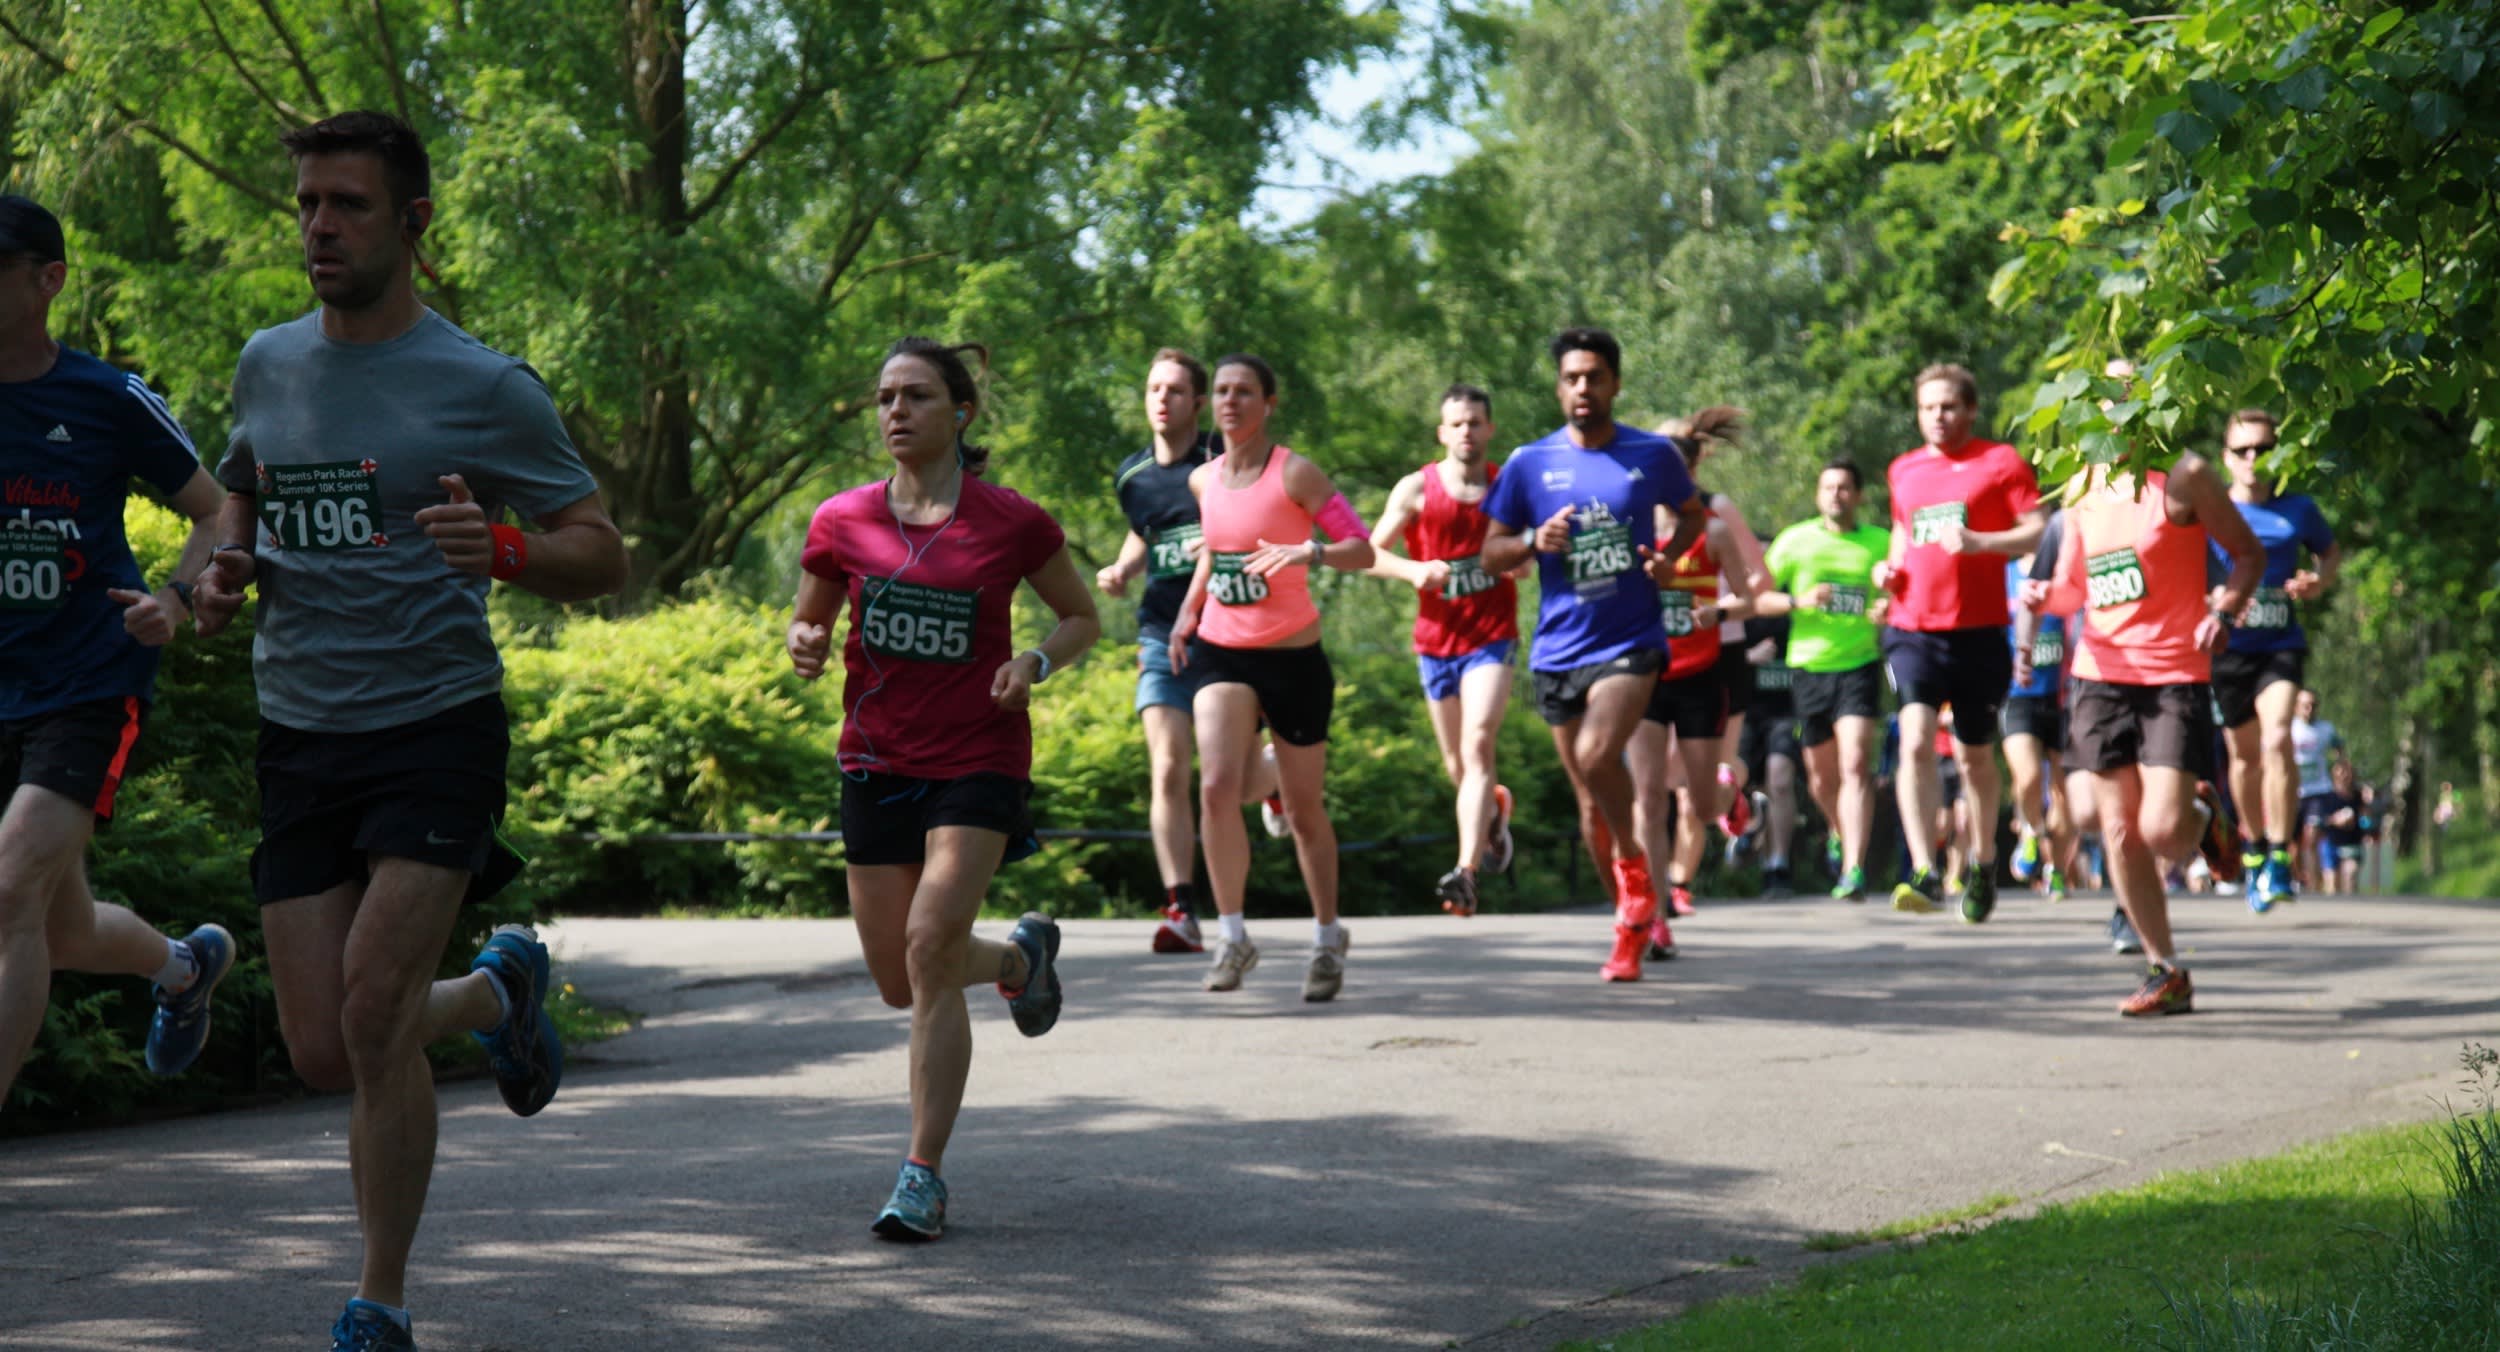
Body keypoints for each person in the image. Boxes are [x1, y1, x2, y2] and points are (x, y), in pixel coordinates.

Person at [189, 113, 630, 1350]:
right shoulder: (268, 362)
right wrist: (221, 570)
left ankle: (377, 1299)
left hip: (435, 724)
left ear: (414, 223)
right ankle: (496, 990)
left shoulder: (485, 386)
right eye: (307, 204)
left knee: (377, 1011)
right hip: (300, 729)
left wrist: (504, 548)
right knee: (324, 1047)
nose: (320, 226)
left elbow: (603, 550)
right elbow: (241, 486)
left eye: (349, 204)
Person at [790, 336, 1097, 1241]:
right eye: (886, 397)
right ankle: (1018, 962)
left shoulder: (1012, 521)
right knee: (900, 979)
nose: (896, 411)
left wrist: (1035, 660)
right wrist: (804, 644)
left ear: (961, 413)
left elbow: (1080, 615)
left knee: (929, 945)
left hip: (977, 758)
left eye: (917, 396)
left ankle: (920, 1175)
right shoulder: (842, 520)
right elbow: (809, 624)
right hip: (875, 763)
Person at [0, 194, 238, 1103]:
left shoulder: (107, 398)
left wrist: (175, 599)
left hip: (87, 681)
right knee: (62, 929)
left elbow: (217, 511)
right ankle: (183, 968)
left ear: (48, 281)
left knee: (10, 890)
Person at [1481, 328, 1705, 982]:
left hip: (1632, 639)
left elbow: (1692, 515)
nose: (1584, 388)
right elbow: (1490, 552)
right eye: (1572, 378)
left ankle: (1636, 874)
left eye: (1595, 377)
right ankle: (1631, 924)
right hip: (1559, 648)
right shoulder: (1529, 463)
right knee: (1589, 806)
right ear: (1560, 388)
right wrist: (1532, 540)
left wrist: (1669, 561)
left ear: (1615, 384)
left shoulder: (1651, 453)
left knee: (1596, 755)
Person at [2024, 450, 2262, 1016]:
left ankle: (2202, 817)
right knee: (2119, 830)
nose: (2111, 421)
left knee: (2163, 831)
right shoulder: (2080, 486)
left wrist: (2224, 612)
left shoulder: (2183, 479)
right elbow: (2074, 589)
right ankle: (2166, 969)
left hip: (2174, 674)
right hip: (2100, 676)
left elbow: (2249, 555)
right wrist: (2043, 598)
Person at [1168, 354, 1374, 1000]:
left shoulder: (1296, 474)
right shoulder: (1202, 480)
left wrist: (1310, 550)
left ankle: (1328, 938)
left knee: (1306, 811)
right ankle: (1232, 937)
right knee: (1216, 787)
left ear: (1269, 403)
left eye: (1245, 391)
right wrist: (1187, 612)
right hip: (1221, 650)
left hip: (1293, 659)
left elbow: (1362, 548)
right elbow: (1217, 552)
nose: (1230, 401)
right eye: (1222, 391)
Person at [1096, 349, 1277, 953]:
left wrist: (1225, 543)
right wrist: (1123, 568)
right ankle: (1180, 908)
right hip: (1160, 634)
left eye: (1175, 391)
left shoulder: (1224, 459)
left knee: (1234, 784)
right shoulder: (1132, 475)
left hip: (1227, 634)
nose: (1162, 399)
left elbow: (1263, 519)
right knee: (1169, 766)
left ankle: (1275, 777)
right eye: (1154, 388)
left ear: (1198, 403)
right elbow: (1144, 531)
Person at [1875, 364, 2046, 922]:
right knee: (1915, 740)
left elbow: (2039, 528)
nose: (1938, 417)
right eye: (1928, 408)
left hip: (1978, 631)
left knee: (1974, 758)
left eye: (1948, 407)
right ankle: (1924, 870)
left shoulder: (2000, 462)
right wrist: (1888, 570)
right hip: (1913, 628)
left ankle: (1983, 862)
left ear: (1971, 410)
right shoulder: (1903, 469)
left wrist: (1981, 542)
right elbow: (1903, 532)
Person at [1365, 382, 1520, 917]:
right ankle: (1492, 814)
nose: (1466, 431)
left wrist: (1522, 557)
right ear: (1442, 432)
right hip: (1435, 642)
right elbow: (1367, 553)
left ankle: (1466, 874)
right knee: (1457, 764)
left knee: (1478, 745)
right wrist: (1413, 570)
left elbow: (1530, 546)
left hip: (1491, 637)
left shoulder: (1507, 487)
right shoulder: (1416, 489)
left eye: (1475, 422)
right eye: (1457, 423)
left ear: (1490, 429)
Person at [1630, 441, 1766, 938]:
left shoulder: (1713, 529)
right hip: (1646, 673)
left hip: (1702, 675)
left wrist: (1718, 612)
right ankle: (1655, 913)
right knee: (1648, 795)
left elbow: (1750, 600)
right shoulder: (1635, 529)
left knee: (1701, 804)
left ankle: (1731, 800)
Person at [2210, 408, 2337, 912]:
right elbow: (2187, 570)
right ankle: (2256, 849)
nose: (2252, 458)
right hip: (2228, 652)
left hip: (2280, 644)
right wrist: (2213, 601)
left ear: (2277, 453)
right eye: (2242, 449)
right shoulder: (2212, 512)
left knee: (2278, 736)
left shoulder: (2297, 510)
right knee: (2243, 759)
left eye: (2263, 448)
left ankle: (2282, 856)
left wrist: (2318, 581)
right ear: (2226, 457)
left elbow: (2329, 554)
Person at [1756, 460, 1890, 902]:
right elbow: (1758, 597)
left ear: (1859, 495)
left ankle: (1853, 869)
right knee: (1820, 779)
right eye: (1828, 487)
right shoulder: (1795, 540)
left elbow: (1901, 594)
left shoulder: (1881, 542)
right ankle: (1837, 828)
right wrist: (1799, 600)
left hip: (1859, 665)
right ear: (1818, 495)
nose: (1836, 494)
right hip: (1809, 669)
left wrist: (1886, 609)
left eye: (1845, 487)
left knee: (1856, 763)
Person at [1658, 409, 1771, 853]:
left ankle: (1680, 879)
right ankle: (1729, 796)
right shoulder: (1644, 515)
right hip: (1666, 651)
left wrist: (1718, 606)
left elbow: (1761, 578)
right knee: (1667, 773)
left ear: (1693, 463)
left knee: (1703, 775)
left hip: (1720, 651)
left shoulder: (1716, 510)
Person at [2007, 512, 2078, 901]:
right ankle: (2030, 831)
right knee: (2028, 777)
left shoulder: (2069, 573)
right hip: (2017, 696)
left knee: (2065, 791)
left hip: (2065, 696)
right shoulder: (2004, 575)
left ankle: (2058, 869)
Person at [1734, 614, 1804, 896]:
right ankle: (1746, 836)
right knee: (1739, 782)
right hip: (1744, 715)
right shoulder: (1737, 607)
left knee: (1779, 779)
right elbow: (1715, 657)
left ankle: (1778, 866)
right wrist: (1747, 657)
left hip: (1787, 713)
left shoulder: (1797, 603)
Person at [2290, 688, 2344, 892]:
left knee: (2312, 836)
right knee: (2293, 843)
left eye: (2313, 705)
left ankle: (2315, 886)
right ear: (2296, 707)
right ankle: (2298, 880)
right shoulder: (2288, 728)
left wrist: (2340, 767)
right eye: (2305, 705)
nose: (2309, 709)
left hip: (2318, 790)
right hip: (2293, 792)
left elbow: (2339, 748)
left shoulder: (2326, 729)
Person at [2316, 758, 2368, 895]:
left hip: (2352, 843)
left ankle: (2351, 905)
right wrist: (2335, 820)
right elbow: (2320, 820)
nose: (2344, 776)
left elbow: (2367, 818)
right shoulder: (2327, 797)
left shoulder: (2359, 796)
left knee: (2350, 875)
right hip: (2331, 843)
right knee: (2332, 883)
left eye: (2347, 773)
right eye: (2340, 773)